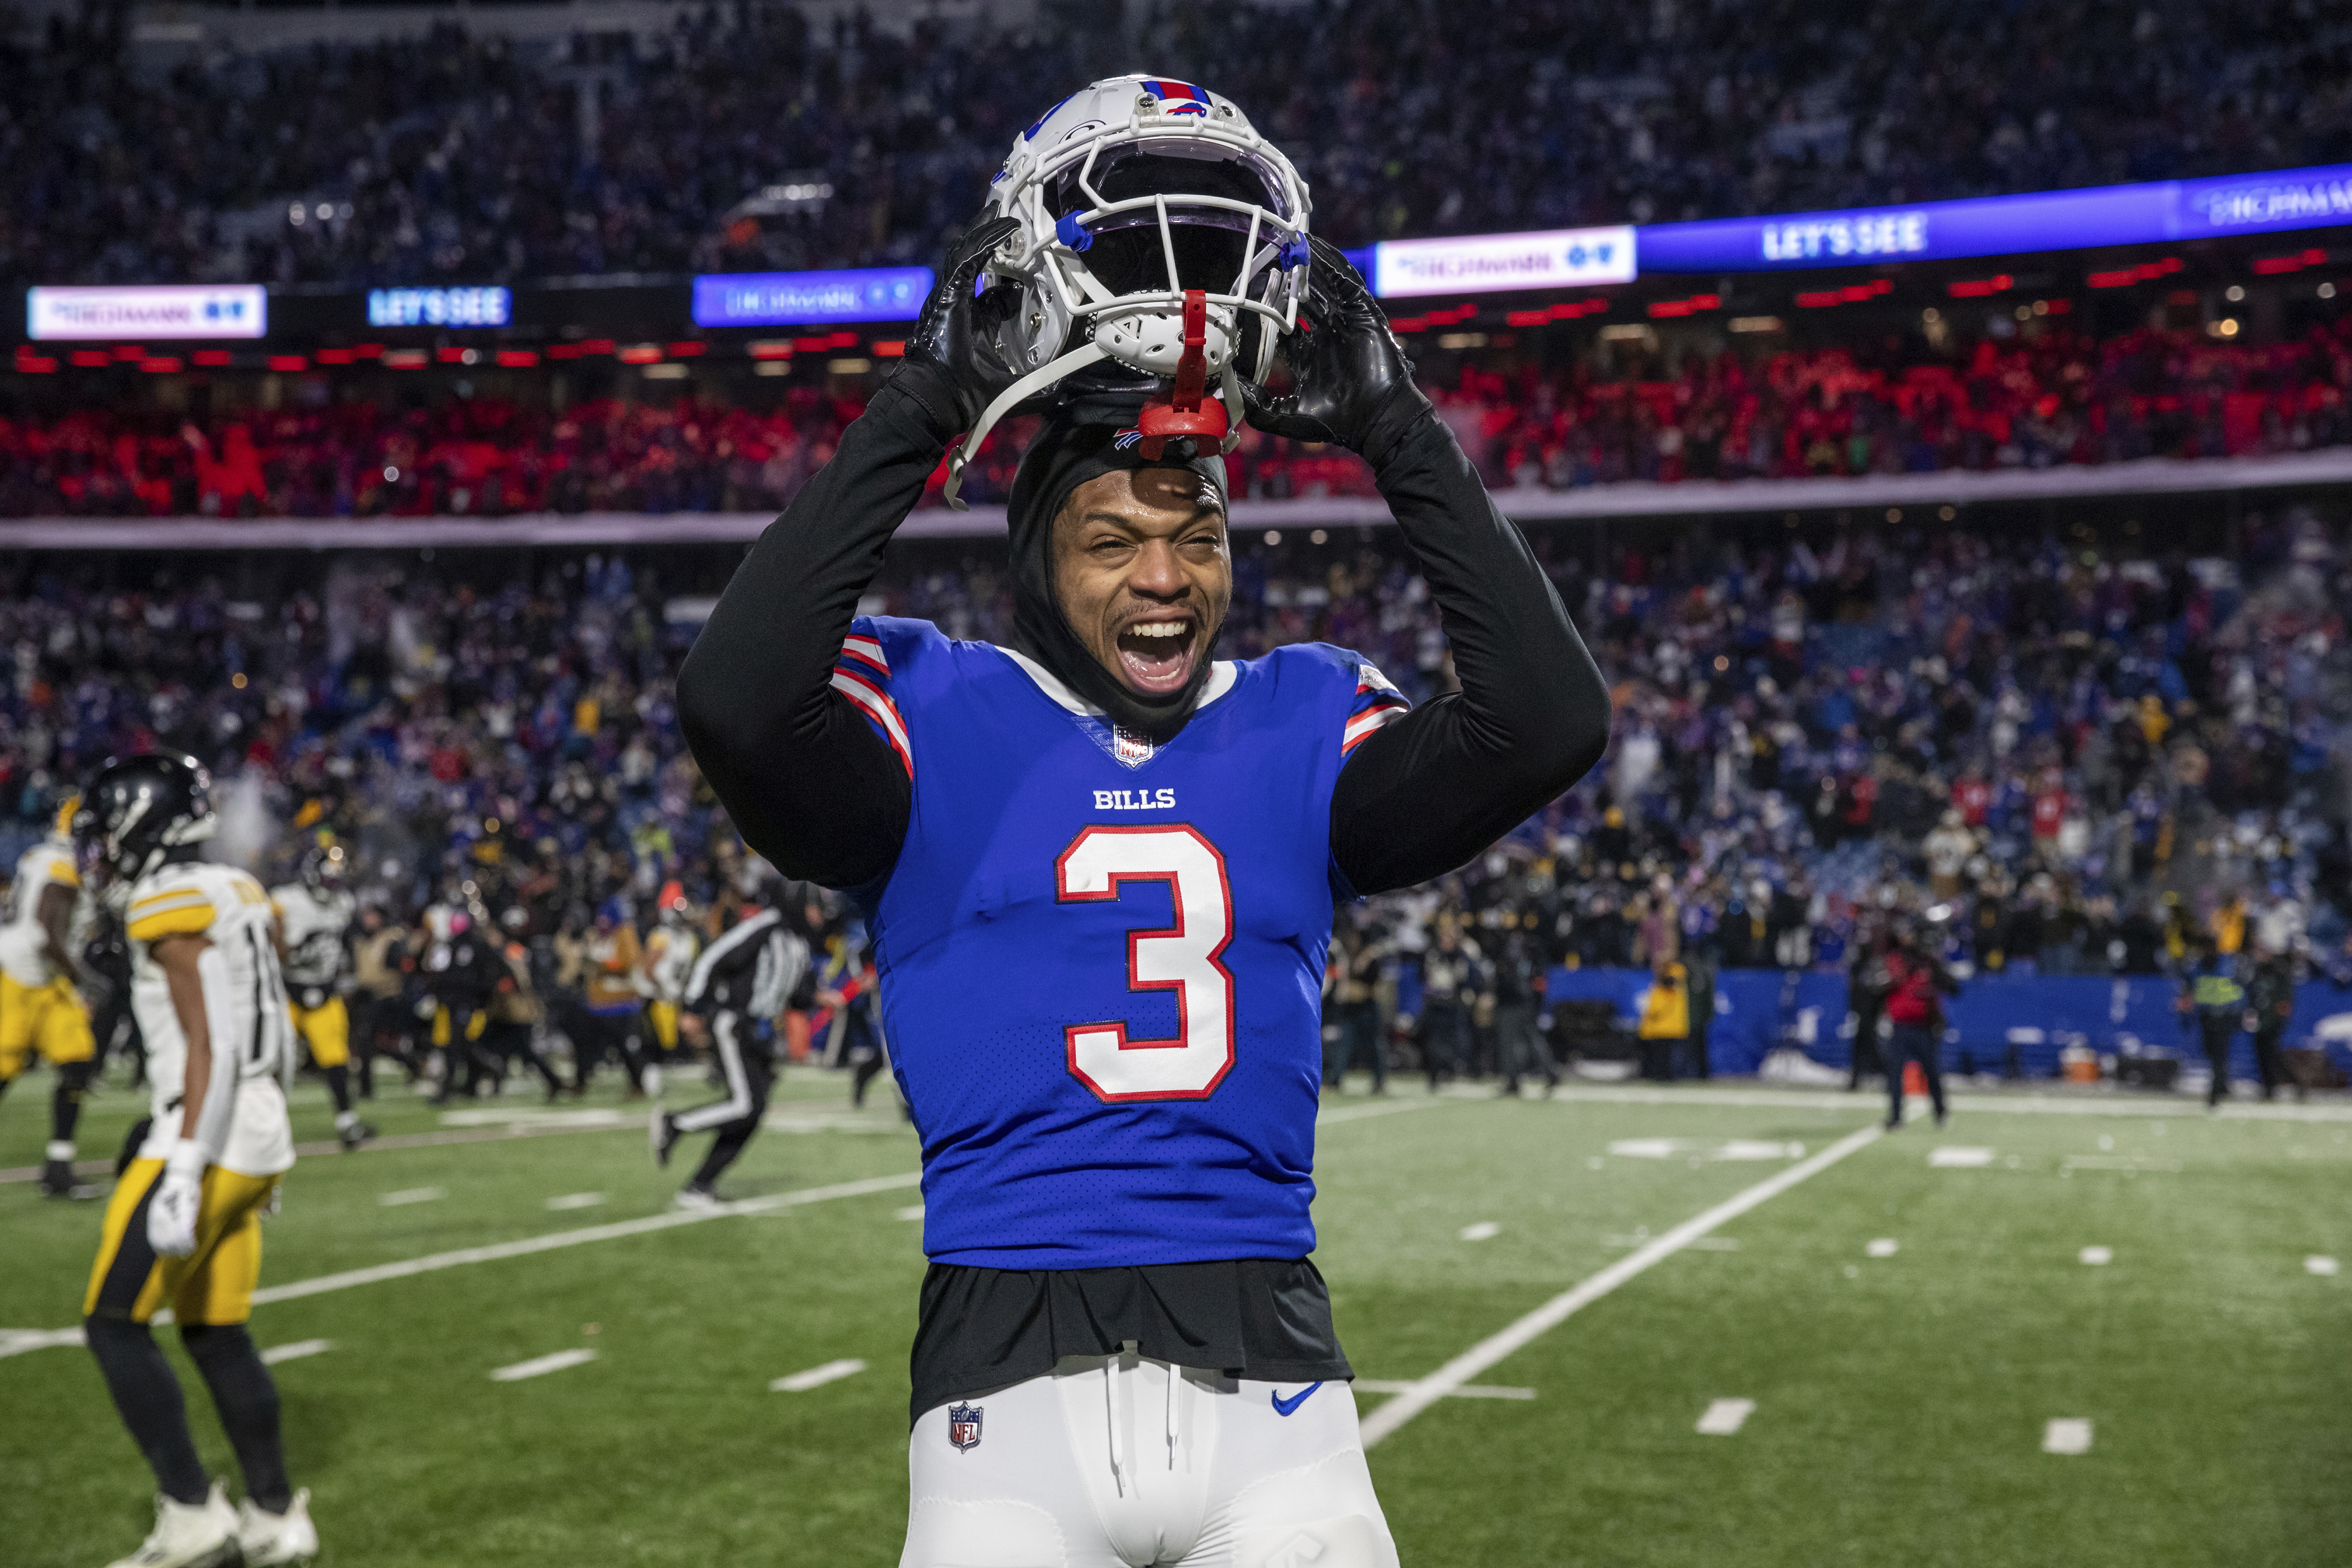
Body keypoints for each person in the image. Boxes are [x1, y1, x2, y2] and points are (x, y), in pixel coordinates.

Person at [677, 84, 1609, 1568]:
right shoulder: (929, 711)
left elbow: (1549, 720)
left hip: (1275, 1392)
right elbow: (732, 700)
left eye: (1198, 535)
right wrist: (919, 407)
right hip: (999, 1402)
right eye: (1113, 539)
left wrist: (1393, 424)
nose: (1164, 575)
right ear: (1037, 565)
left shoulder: (1302, 719)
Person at [74, 753, 318, 1567]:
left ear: (143, 817)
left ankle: (191, 1514)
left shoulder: (166, 899)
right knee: (216, 1331)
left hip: (204, 1131)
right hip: (254, 1129)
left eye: (113, 820)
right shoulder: (235, 887)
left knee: (113, 1324)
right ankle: (274, 1516)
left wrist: (184, 1169)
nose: (105, 839)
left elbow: (209, 1039)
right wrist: (267, 1150)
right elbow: (271, 1029)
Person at [651, 885, 808, 1206]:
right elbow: (713, 958)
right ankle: (675, 1123)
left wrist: (819, 998)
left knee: (753, 1112)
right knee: (745, 1105)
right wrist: (693, 1008)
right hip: (736, 1025)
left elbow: (794, 993)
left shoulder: (799, 942)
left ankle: (700, 1184)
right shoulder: (765, 927)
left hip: (762, 1035)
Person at [0, 797, 101, 1197]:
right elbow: (46, 935)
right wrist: (85, 978)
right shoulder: (62, 866)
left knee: (77, 1061)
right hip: (22, 975)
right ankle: (58, 1167)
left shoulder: (39, 856)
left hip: (38, 975)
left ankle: (58, 1167)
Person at [270, 844, 374, 1150]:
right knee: (276, 1061)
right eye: (327, 880)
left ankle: (347, 1122)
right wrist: (298, 948)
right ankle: (267, 1127)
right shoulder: (285, 901)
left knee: (336, 1059)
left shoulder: (343, 903)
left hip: (325, 991)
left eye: (335, 881)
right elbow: (271, 949)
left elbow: (345, 947)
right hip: (287, 991)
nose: (332, 887)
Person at [1880, 918, 1959, 1128]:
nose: (1907, 937)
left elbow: (1951, 987)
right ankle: (1896, 1116)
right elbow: (1884, 984)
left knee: (1932, 1072)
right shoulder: (1896, 960)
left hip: (1924, 1025)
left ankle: (1941, 1113)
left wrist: (1937, 973)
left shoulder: (1928, 961)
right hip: (1902, 1025)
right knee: (1896, 1073)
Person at [637, 880, 700, 1096]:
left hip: (675, 997)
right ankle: (647, 1084)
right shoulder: (661, 936)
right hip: (657, 995)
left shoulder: (690, 939)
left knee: (674, 1047)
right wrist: (663, 987)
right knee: (654, 1044)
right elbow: (648, 969)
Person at [1493, 911, 1557, 1096]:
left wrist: (1536, 997)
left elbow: (1537, 974)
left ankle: (1549, 1073)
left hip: (1521, 999)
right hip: (1508, 998)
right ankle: (1513, 1080)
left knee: (1530, 1039)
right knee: (1509, 1042)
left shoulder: (1530, 944)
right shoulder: (1503, 942)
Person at [2180, 935, 2247, 1109]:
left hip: (2224, 1015)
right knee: (2213, 1053)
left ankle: (2215, 1093)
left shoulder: (2226, 965)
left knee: (2219, 1055)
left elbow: (2238, 989)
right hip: (2207, 1015)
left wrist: (2239, 1013)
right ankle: (2222, 1085)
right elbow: (2188, 984)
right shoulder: (2199, 966)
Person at [1415, 920, 1483, 1092]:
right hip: (1436, 1004)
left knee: (1454, 1042)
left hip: (1454, 1005)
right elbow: (1422, 976)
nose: (1447, 940)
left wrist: (1467, 991)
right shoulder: (1433, 954)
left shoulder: (1463, 956)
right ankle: (1435, 1075)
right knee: (1434, 1042)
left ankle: (1450, 1071)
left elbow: (1474, 978)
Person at [2244, 946, 2301, 1102]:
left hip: (2273, 1020)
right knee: (2261, 1054)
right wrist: (2250, 1014)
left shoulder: (2279, 972)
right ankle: (2269, 1086)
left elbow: (2285, 999)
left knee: (2273, 1055)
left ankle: (2290, 1084)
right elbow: (2251, 996)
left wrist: (2281, 1020)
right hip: (2260, 1020)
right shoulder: (2256, 972)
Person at [1636, 956, 1689, 1082]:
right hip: (1657, 1028)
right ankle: (1655, 1076)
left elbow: (1672, 983)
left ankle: (1665, 1077)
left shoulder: (1676, 972)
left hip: (1666, 1026)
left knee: (1666, 1056)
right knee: (1656, 1055)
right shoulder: (1656, 989)